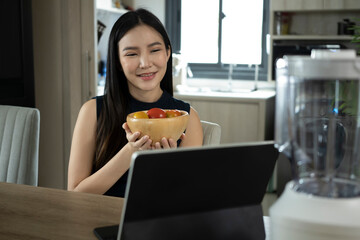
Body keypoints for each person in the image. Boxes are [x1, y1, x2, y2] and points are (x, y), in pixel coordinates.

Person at [67, 8, 203, 197]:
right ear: (117, 61)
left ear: (168, 53)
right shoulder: (92, 111)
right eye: (131, 54)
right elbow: (75, 194)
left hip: (159, 225)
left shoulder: (187, 117)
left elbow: (188, 199)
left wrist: (167, 164)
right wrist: (131, 151)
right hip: (98, 223)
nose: (145, 63)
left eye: (155, 50)